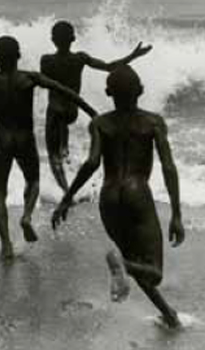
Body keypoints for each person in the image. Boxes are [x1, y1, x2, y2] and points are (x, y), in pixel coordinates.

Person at [52, 64, 185, 328]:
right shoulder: (153, 122)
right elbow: (168, 166)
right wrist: (176, 214)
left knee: (132, 264)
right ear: (141, 91)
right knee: (152, 272)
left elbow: (91, 163)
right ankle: (122, 265)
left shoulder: (100, 123)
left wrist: (68, 196)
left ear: (108, 92)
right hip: (137, 194)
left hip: (109, 197)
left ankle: (168, 314)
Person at [0, 35, 97, 260]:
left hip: (3, 139)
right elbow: (66, 92)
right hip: (25, 139)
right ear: (18, 55)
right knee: (33, 181)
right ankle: (27, 216)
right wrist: (91, 111)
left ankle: (6, 245)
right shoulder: (30, 78)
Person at [41, 20, 152, 194]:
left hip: (55, 110)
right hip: (72, 110)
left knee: (54, 156)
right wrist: (133, 56)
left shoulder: (46, 60)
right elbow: (109, 67)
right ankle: (72, 177)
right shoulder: (80, 58)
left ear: (53, 40)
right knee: (63, 148)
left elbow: (46, 84)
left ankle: (65, 191)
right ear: (73, 39)